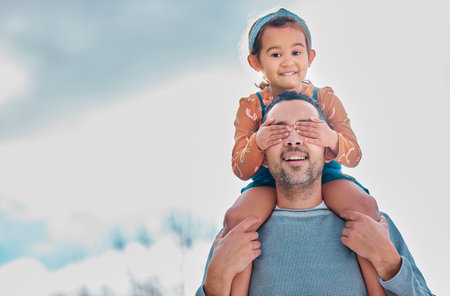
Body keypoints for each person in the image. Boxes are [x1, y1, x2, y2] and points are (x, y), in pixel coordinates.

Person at [197, 92, 434, 296]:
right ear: (264, 158)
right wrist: (216, 280)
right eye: (278, 131)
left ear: (328, 151)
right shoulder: (236, 236)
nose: (293, 140)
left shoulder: (373, 226)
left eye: (307, 129)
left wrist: (389, 262)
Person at [225, 8, 382, 295]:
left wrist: (330, 137)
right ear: (255, 61)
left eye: (296, 53)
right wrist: (258, 142)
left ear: (310, 57)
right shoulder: (250, 107)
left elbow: (354, 155)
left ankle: (377, 290)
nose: (288, 61)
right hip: (267, 182)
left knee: (365, 208)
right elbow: (240, 169)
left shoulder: (325, 98)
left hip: (324, 176)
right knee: (237, 220)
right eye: (275, 54)